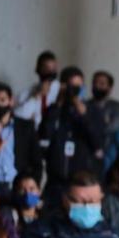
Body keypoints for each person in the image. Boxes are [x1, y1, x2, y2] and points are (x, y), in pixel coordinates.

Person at [39, 67, 106, 209]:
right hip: (56, 182)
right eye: (71, 86)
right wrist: (58, 103)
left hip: (82, 181)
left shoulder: (92, 110)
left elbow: (98, 143)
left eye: (78, 86)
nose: (74, 90)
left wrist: (83, 113)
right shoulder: (55, 110)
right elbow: (44, 134)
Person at [0, 81, 42, 206]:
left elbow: (37, 161)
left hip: (18, 187)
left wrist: (33, 187)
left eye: (3, 100)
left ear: (11, 101)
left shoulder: (26, 127)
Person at [15, 50, 61, 129]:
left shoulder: (61, 90)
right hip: (34, 135)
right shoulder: (28, 92)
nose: (50, 72)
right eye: (46, 68)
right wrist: (37, 95)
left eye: (53, 69)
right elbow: (18, 116)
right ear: (38, 69)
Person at [89, 71, 119, 150]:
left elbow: (115, 128)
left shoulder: (118, 107)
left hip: (110, 150)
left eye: (102, 84)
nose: (97, 86)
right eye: (95, 83)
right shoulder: (85, 105)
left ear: (109, 88)